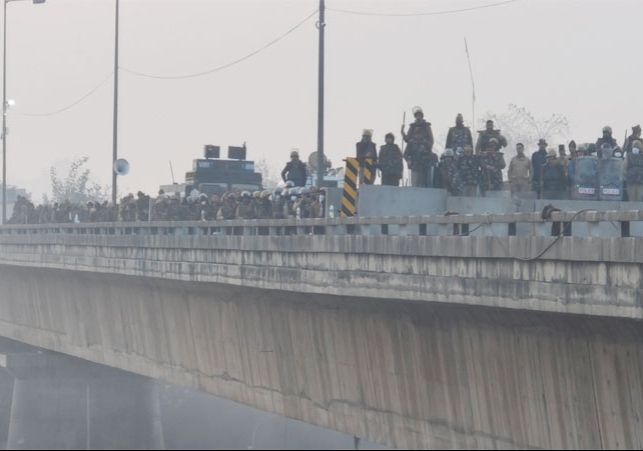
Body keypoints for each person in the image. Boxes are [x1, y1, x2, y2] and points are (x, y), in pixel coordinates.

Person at [402, 106, 435, 187]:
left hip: (425, 160)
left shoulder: (426, 126)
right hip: (414, 159)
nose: (418, 117)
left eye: (419, 115)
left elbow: (431, 140)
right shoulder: (412, 126)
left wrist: (426, 148)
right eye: (417, 115)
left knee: (425, 182)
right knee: (415, 183)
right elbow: (407, 139)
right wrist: (402, 132)